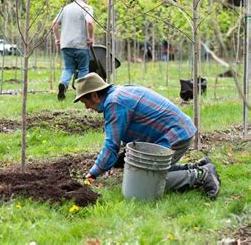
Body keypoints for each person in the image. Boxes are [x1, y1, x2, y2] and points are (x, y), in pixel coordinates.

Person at [74, 73, 221, 199]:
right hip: (176, 131)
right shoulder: (119, 93)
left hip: (174, 136)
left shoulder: (114, 103)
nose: (86, 107)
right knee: (140, 171)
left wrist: (93, 173)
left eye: (85, 102)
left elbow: (111, 145)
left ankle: (201, 175)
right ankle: (196, 166)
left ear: (95, 95)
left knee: (143, 184)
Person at [53, 0, 95, 101]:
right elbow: (90, 22)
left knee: (68, 68)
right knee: (83, 69)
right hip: (81, 44)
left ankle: (63, 84)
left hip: (66, 44)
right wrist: (91, 38)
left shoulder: (65, 8)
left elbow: (55, 23)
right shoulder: (86, 7)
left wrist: (58, 39)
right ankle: (81, 93)